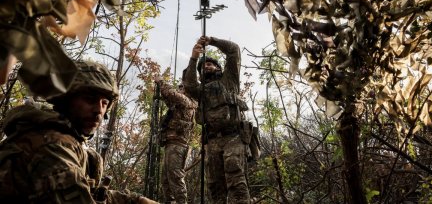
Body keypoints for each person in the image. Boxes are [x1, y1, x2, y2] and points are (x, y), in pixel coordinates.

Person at [0, 60, 157, 204]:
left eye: (104, 103)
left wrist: (138, 201)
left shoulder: (65, 141)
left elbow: (93, 194)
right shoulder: (53, 146)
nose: (99, 110)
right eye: (89, 99)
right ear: (65, 100)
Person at [183, 36, 251, 203]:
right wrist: (194, 57)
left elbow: (234, 50)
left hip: (234, 136)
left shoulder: (229, 80)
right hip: (212, 141)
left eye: (210, 64)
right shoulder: (200, 91)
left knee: (235, 177)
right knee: (215, 186)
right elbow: (189, 85)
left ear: (218, 67)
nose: (206, 66)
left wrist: (212, 41)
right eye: (203, 66)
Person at [154, 75, 198, 204]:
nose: (179, 89)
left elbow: (171, 93)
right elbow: (168, 97)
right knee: (166, 180)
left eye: (182, 88)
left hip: (178, 145)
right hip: (171, 144)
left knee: (175, 177)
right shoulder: (178, 105)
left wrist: (161, 81)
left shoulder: (188, 102)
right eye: (179, 87)